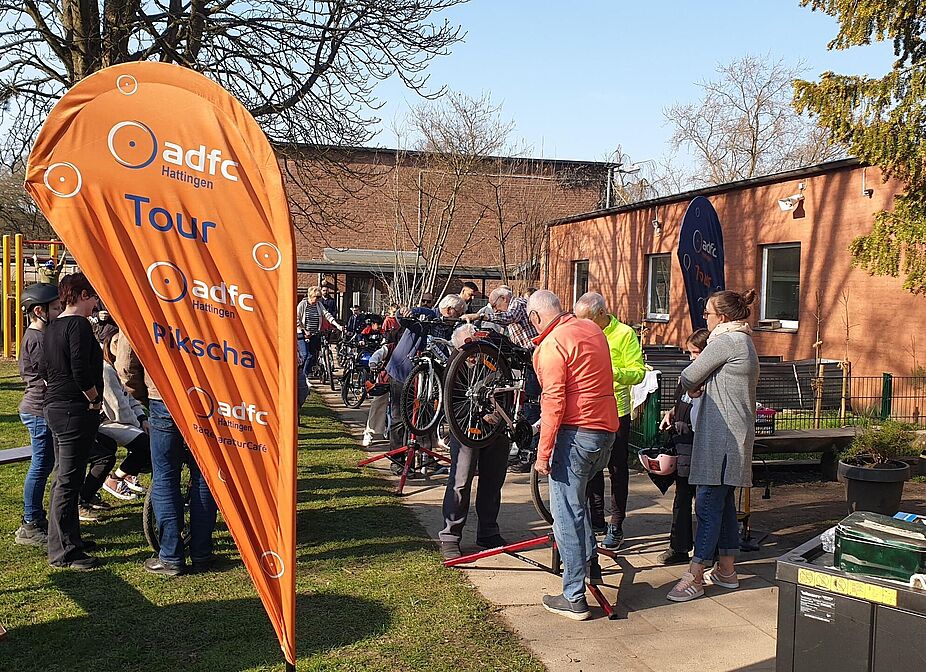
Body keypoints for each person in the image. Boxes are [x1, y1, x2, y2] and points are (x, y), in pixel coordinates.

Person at [529, 290, 618, 620]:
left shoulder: (551, 346)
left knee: (565, 514)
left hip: (576, 435)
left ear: (537, 318)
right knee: (578, 506)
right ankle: (591, 567)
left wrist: (543, 455)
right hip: (605, 434)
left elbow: (554, 402)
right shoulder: (591, 329)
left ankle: (574, 597)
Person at [667, 289, 759, 602]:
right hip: (735, 434)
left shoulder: (724, 341)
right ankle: (727, 571)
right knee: (723, 506)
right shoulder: (743, 340)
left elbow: (688, 374)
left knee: (706, 504)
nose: (704, 317)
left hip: (722, 437)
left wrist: (696, 385)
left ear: (722, 316)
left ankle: (695, 575)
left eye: (707, 313)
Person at [113, 332, 219, 576]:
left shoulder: (144, 298)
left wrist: (143, 394)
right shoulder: (211, 294)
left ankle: (171, 556)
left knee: (164, 476)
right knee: (204, 473)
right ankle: (202, 552)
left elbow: (126, 362)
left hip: (163, 394)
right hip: (207, 394)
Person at [40, 273, 104, 570]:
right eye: (92, 297)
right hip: (73, 409)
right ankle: (64, 550)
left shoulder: (53, 326)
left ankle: (69, 540)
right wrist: (93, 398)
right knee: (68, 480)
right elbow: (80, 368)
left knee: (64, 477)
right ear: (78, 295)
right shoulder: (78, 325)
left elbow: (44, 368)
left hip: (55, 406)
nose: (95, 303)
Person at [574, 292, 646, 548]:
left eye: (588, 320)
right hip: (587, 410)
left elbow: (638, 373)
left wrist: (610, 372)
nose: (584, 326)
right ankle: (596, 520)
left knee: (616, 468)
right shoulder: (581, 332)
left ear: (602, 313)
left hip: (616, 410)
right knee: (591, 466)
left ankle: (616, 523)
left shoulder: (625, 334)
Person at [438, 325, 509, 560]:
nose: (473, 355)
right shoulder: (453, 368)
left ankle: (488, 532)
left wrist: (495, 417)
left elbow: (505, 391)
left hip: (495, 430)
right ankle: (450, 536)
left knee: (493, 480)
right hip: (466, 430)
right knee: (460, 482)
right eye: (466, 348)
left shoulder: (491, 361)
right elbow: (451, 403)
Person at [386, 294, 464, 465]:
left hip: (430, 378)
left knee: (427, 417)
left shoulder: (450, 326)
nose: (457, 318)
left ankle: (425, 457)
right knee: (399, 416)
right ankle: (397, 461)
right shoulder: (427, 315)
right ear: (450, 310)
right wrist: (404, 312)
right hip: (404, 371)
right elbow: (403, 316)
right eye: (458, 314)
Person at [14, 283, 62, 547]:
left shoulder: (40, 335)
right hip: (37, 410)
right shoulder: (37, 339)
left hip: (39, 408)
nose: (59, 311)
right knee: (40, 466)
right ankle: (29, 524)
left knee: (44, 464)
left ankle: (35, 518)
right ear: (38, 311)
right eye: (55, 308)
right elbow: (48, 373)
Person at [657, 328, 709, 565]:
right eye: (689, 353)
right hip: (683, 445)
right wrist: (670, 413)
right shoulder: (687, 375)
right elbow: (681, 402)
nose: (692, 358)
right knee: (682, 496)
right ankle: (678, 547)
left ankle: (706, 550)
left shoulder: (711, 380)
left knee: (703, 500)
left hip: (701, 445)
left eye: (696, 352)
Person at [98, 333, 152, 501]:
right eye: (115, 342)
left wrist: (142, 419)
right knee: (145, 442)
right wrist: (137, 424)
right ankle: (115, 479)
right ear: (107, 344)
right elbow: (117, 409)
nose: (119, 345)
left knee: (149, 436)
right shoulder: (106, 370)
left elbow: (130, 399)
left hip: (124, 419)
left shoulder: (117, 368)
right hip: (107, 421)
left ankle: (127, 475)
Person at [296, 285, 344, 383]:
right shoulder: (303, 304)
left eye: (319, 297)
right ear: (310, 296)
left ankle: (305, 376)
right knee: (306, 355)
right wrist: (304, 330)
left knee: (313, 356)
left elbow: (327, 314)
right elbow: (296, 318)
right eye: (316, 297)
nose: (318, 299)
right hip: (303, 334)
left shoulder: (318, 305)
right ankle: (302, 376)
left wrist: (337, 325)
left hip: (314, 334)